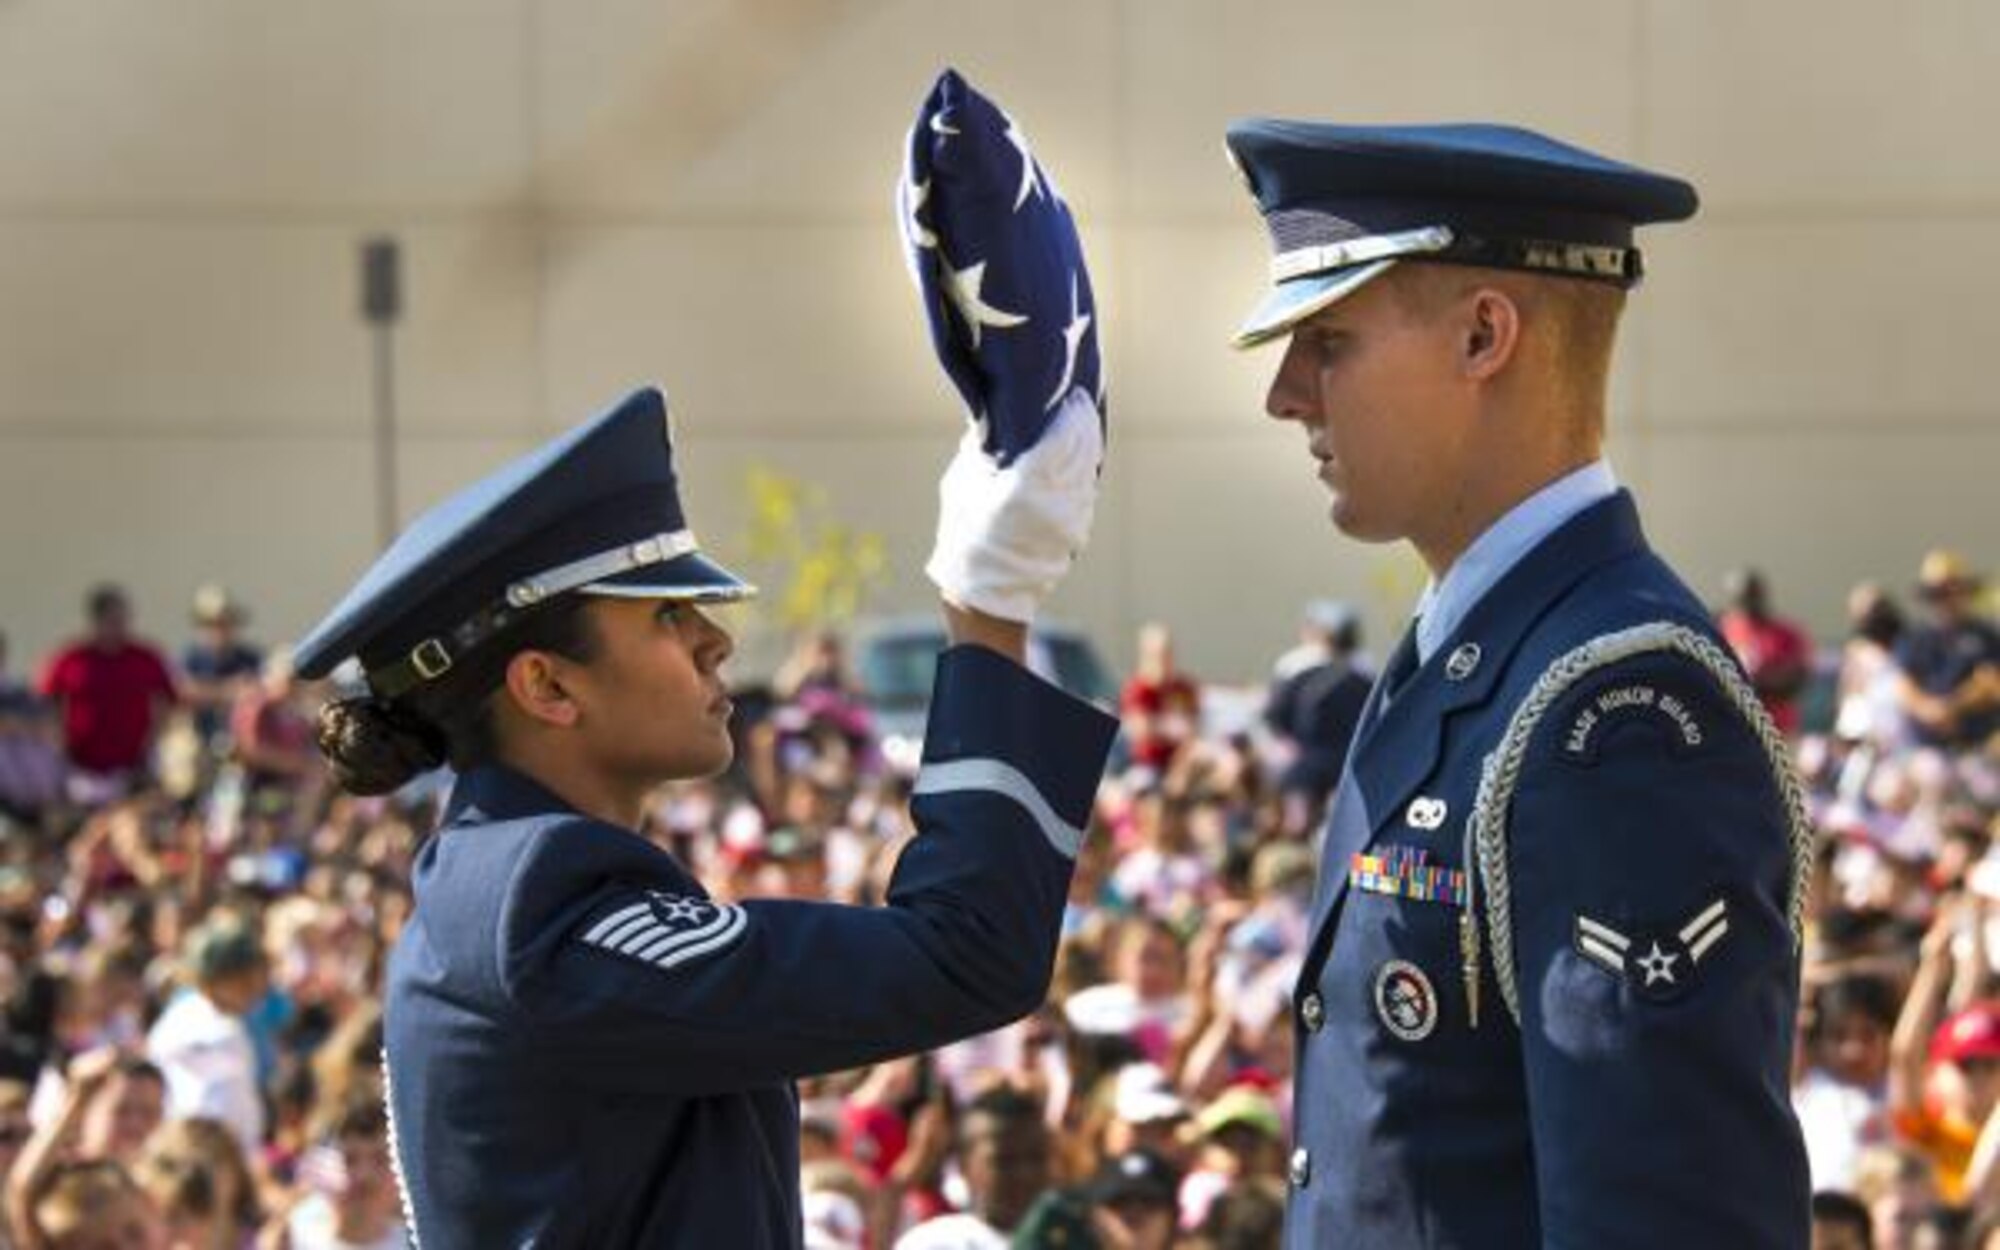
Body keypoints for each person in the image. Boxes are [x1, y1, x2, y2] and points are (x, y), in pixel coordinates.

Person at [288, 67, 1112, 1249]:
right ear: (546, 682)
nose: (715, 636)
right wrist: (989, 607)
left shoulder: (509, 880)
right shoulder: (541, 910)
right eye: (664, 616)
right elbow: (964, 957)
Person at [1227, 120, 1812, 1245]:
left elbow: (1662, 1216)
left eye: (1328, 340)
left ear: (1484, 335)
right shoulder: (1478, 647)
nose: (1286, 393)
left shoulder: (1619, 703)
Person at [36, 585, 177, 800]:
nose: (120, 627)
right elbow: (46, 700)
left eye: (123, 620)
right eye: (113, 620)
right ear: (96, 621)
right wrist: (58, 739)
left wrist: (153, 740)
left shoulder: (145, 657)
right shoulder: (71, 658)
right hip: (82, 768)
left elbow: (166, 700)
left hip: (134, 767)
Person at [1894, 551, 2000, 751]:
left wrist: (1952, 707)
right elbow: (1904, 687)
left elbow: (1991, 682)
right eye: (1939, 592)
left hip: (1977, 743)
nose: (1947, 598)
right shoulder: (1916, 638)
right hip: (1925, 746)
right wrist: (1928, 709)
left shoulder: (1986, 636)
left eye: (1953, 589)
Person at [1719, 568, 1817, 736]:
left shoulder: (1786, 634)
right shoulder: (1724, 630)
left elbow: (1797, 681)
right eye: (1741, 599)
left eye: (1751, 596)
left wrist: (1751, 681)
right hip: (1734, 729)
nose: (1747, 604)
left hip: (1778, 729)